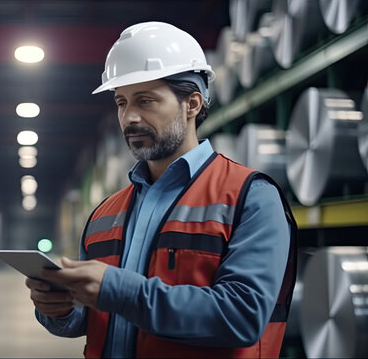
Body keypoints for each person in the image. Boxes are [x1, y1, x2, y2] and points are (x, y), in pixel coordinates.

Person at [25, 22, 297, 358]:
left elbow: (242, 317)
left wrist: (118, 289)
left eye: (146, 101)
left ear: (192, 104)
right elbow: (91, 316)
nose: (130, 118)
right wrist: (60, 309)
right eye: (121, 102)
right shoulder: (104, 214)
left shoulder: (250, 197)